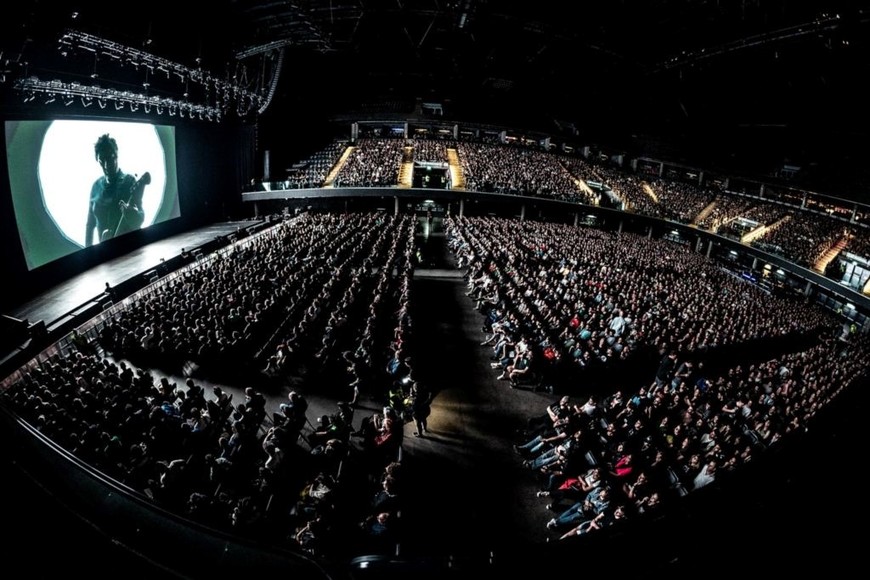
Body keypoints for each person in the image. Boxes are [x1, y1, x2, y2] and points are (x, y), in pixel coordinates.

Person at [86, 133, 150, 247]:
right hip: (106, 257)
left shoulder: (129, 181)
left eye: (110, 157)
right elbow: (90, 225)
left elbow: (140, 216)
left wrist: (133, 215)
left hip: (130, 251)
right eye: (102, 160)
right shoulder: (95, 187)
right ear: (98, 161)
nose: (106, 165)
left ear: (116, 155)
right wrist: (87, 256)